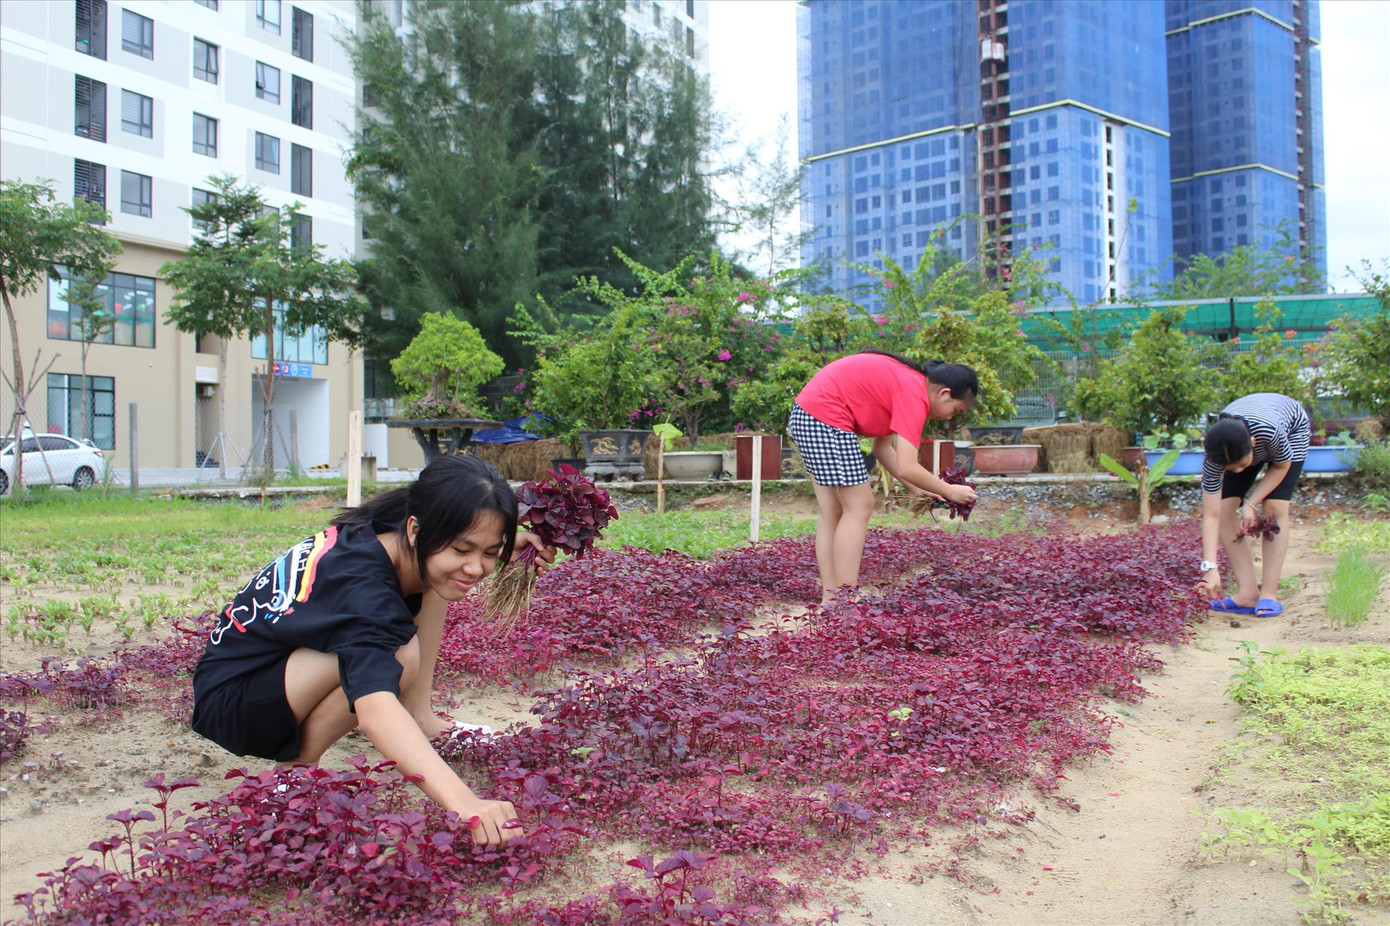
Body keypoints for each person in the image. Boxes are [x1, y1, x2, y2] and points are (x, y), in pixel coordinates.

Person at [191, 455, 550, 846]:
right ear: (415, 529)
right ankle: (293, 775)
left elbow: (445, 539)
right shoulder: (363, 588)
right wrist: (464, 802)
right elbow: (374, 707)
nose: (477, 568)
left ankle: (421, 717)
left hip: (276, 665)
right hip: (234, 702)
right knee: (399, 657)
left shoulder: (401, 526)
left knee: (435, 578)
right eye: (463, 549)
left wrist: (487, 540)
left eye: (488, 552)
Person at [789, 350, 980, 601]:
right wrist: (950, 490)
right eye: (955, 409)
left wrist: (915, 487)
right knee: (860, 505)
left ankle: (832, 600)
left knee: (834, 511)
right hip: (825, 418)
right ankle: (845, 602)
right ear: (944, 394)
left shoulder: (908, 383)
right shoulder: (914, 394)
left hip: (809, 415)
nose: (949, 416)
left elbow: (882, 449)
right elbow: (908, 465)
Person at [1196, 392, 1310, 618]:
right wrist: (1210, 568)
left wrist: (1250, 504)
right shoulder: (1214, 458)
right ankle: (1247, 593)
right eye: (1231, 468)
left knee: (1274, 508)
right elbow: (1211, 515)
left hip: (1291, 428)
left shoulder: (1270, 432)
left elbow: (1280, 467)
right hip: (1242, 440)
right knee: (1226, 508)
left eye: (1241, 465)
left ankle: (1269, 593)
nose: (1238, 471)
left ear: (1253, 445)